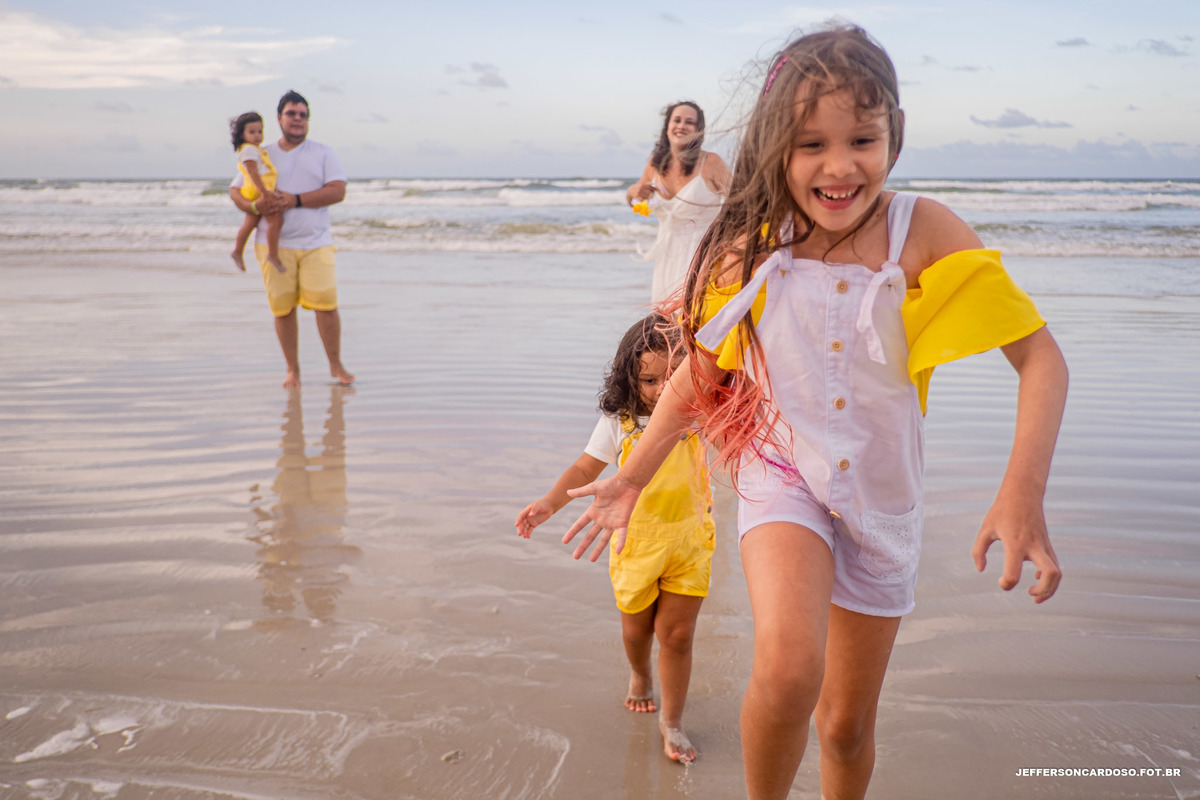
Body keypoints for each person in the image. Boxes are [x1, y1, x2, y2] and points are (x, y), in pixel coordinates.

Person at [563, 24, 1068, 800]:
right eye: (811, 145)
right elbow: (699, 374)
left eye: (862, 139)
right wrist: (632, 475)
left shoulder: (921, 232)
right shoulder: (753, 248)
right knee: (790, 669)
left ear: (895, 133)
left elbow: (1041, 360)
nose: (839, 166)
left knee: (844, 726)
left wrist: (1021, 494)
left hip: (881, 497)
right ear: (777, 147)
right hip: (784, 476)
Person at [515, 313, 715, 764]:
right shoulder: (620, 423)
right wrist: (549, 503)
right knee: (636, 630)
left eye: (674, 376)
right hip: (633, 545)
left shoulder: (700, 412)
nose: (663, 390)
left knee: (678, 636)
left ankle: (672, 721)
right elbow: (585, 468)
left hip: (690, 543)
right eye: (650, 380)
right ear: (630, 378)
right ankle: (640, 674)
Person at [229, 89, 354, 389]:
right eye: (292, 114)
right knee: (283, 309)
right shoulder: (261, 152)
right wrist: (254, 207)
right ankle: (292, 370)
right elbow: (235, 191)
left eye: (303, 115)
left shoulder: (323, 152)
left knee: (326, 304)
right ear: (279, 118)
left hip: (316, 243)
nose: (298, 119)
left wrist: (294, 200)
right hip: (272, 245)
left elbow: (337, 191)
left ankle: (336, 366)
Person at [626, 101, 731, 304]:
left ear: (698, 131)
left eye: (689, 122)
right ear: (667, 126)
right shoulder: (655, 164)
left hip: (703, 257)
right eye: (677, 120)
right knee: (663, 318)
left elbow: (741, 202)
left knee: (696, 316)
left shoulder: (711, 163)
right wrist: (633, 192)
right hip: (666, 258)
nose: (681, 126)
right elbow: (635, 197)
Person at [229, 111, 284, 273]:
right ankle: (272, 254)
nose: (257, 135)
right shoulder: (249, 150)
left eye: (260, 131)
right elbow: (253, 173)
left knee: (250, 223)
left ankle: (237, 251)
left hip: (257, 191)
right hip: (258, 192)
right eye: (252, 132)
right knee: (275, 221)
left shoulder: (254, 149)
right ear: (242, 134)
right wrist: (265, 193)